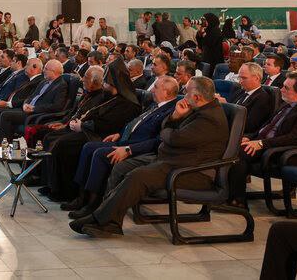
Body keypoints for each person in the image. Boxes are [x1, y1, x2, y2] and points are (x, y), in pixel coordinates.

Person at [70, 76, 228, 238]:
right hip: (174, 161)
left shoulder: (209, 119)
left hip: (191, 172)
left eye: (186, 92)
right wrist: (174, 117)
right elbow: (171, 135)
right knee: (126, 169)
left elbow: (172, 138)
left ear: (197, 97)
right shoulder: (199, 110)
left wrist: (168, 130)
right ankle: (105, 218)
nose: (183, 95)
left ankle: (104, 220)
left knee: (137, 176)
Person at [65, 75, 179, 218]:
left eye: (155, 87)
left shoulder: (171, 111)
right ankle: (81, 197)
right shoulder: (155, 104)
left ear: (166, 92)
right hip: (126, 140)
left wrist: (129, 149)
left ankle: (94, 204)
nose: (151, 90)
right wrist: (119, 134)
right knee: (88, 147)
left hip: (138, 148)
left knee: (100, 154)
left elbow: (157, 141)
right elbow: (136, 122)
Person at [39, 60, 142, 203]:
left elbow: (110, 124)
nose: (103, 84)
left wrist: (83, 125)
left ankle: (66, 192)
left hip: (103, 135)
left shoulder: (128, 103)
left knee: (64, 144)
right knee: (51, 137)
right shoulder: (109, 96)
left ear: (114, 83)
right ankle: (52, 184)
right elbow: (94, 113)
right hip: (92, 130)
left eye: (106, 82)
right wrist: (80, 123)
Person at [228, 72, 297, 205]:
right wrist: (250, 138)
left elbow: (294, 138)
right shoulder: (286, 104)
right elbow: (266, 127)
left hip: (279, 151)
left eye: (286, 88)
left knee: (238, 154)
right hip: (264, 144)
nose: (281, 90)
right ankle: (228, 193)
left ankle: (238, 201)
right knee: (230, 147)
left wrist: (261, 143)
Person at [0, 58, 68, 140]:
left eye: (46, 69)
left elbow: (57, 106)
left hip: (37, 114)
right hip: (27, 109)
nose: (43, 71)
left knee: (5, 115)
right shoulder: (44, 82)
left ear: (53, 71)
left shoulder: (61, 85)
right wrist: (25, 104)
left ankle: (6, 143)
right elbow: (31, 96)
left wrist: (34, 108)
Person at [219, 62, 274, 135]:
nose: (240, 81)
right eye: (239, 77)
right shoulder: (240, 91)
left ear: (256, 78)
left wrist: (226, 106)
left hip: (236, 133)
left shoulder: (262, 98)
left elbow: (249, 126)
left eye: (244, 78)